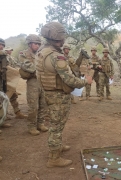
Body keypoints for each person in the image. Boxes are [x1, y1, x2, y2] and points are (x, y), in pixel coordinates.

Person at [36, 22, 92, 167]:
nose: (63, 41)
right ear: (57, 38)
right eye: (62, 38)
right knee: (56, 125)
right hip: (58, 95)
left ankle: (57, 147)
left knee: (57, 123)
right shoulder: (56, 57)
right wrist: (85, 81)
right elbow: (69, 79)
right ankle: (54, 158)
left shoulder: (42, 51)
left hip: (49, 92)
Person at [19, 34, 49, 135]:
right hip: (33, 82)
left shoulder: (41, 54)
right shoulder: (23, 54)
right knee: (33, 106)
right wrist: (41, 68)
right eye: (35, 44)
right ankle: (31, 126)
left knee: (43, 104)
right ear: (29, 44)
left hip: (42, 81)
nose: (37, 45)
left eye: (38, 44)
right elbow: (29, 67)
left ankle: (40, 124)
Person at [0, 38, 26, 120]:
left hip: (6, 79)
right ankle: (2, 117)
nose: (1, 46)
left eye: (2, 45)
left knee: (12, 96)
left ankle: (16, 112)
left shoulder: (4, 56)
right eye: (0, 45)